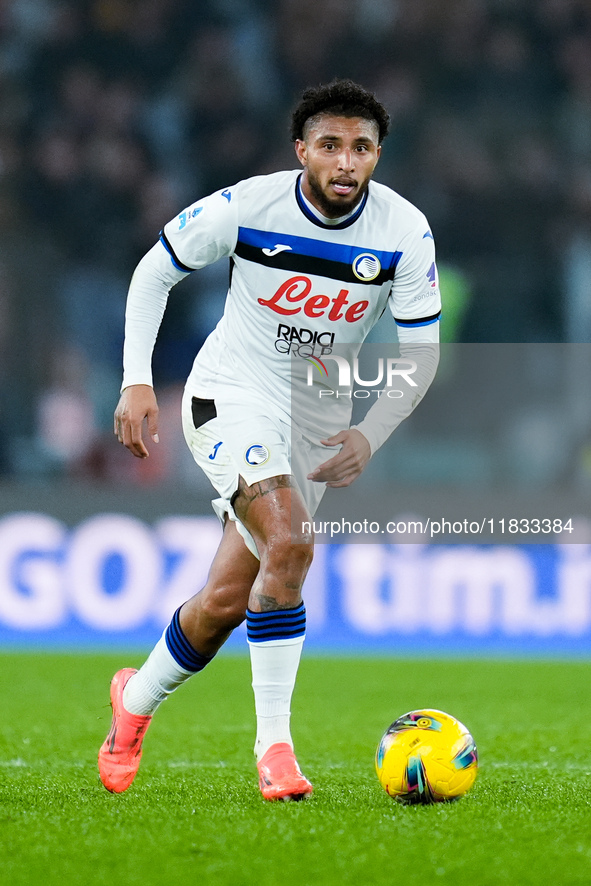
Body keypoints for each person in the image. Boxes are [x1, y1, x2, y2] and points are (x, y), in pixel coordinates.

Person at [98, 78, 441, 801]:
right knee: (289, 543)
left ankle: (131, 704)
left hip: (317, 417)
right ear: (301, 151)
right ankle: (275, 750)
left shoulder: (403, 231)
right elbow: (154, 269)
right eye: (329, 146)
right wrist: (134, 380)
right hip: (231, 395)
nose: (345, 163)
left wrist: (370, 434)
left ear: (378, 154)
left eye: (361, 148)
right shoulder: (248, 206)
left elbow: (421, 352)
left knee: (227, 599)